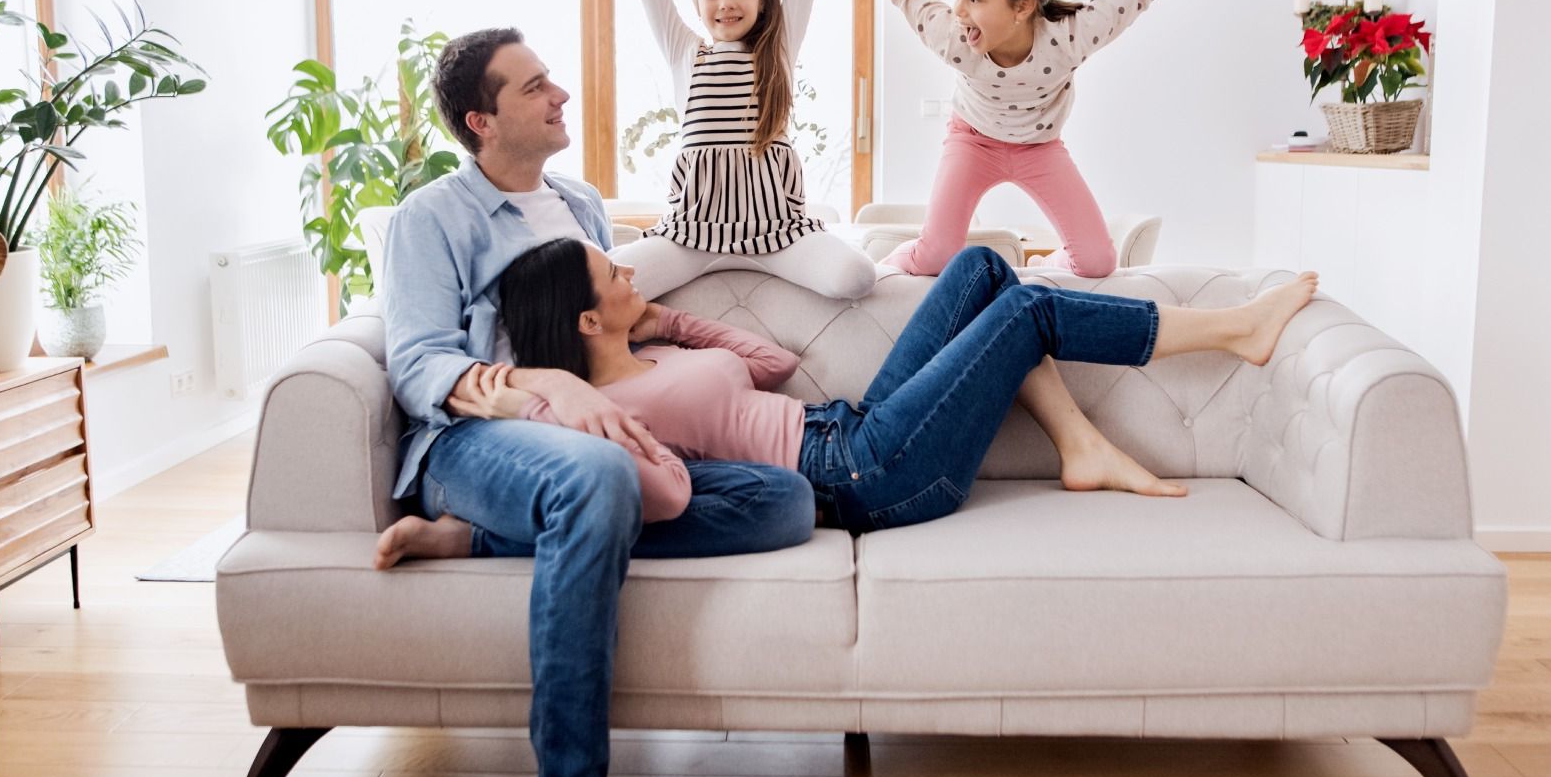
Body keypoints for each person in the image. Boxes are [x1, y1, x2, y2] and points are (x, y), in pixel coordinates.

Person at [377, 26, 818, 777]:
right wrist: (540, 386)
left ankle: (486, 539)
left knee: (784, 498)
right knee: (594, 480)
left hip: (589, 429)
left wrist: (682, 338)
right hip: (481, 440)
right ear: (481, 119)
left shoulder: (578, 200)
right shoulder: (432, 217)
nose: (561, 95)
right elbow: (416, 363)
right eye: (536, 86)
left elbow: (612, 323)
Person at [385, 239, 1317, 542]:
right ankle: (1237, 328)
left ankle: (1078, 445)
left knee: (982, 266)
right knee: (1026, 308)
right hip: (866, 476)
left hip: (850, 423)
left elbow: (770, 364)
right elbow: (584, 488)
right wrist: (457, 536)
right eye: (616, 280)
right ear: (586, 322)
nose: (635, 278)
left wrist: (671, 323)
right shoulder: (600, 412)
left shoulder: (648, 353)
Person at [817, 0, 1274, 279]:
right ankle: (883, 270)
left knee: (1097, 261)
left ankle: (1039, 267)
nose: (958, 10)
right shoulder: (953, 37)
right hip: (972, 142)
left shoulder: (1071, 37)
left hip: (1040, 149)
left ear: (1023, 6)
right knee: (935, 254)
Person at [594, 0, 882, 301]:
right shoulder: (685, 51)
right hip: (692, 233)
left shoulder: (779, 46)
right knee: (598, 288)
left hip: (777, 233)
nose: (726, 3)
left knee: (857, 276)